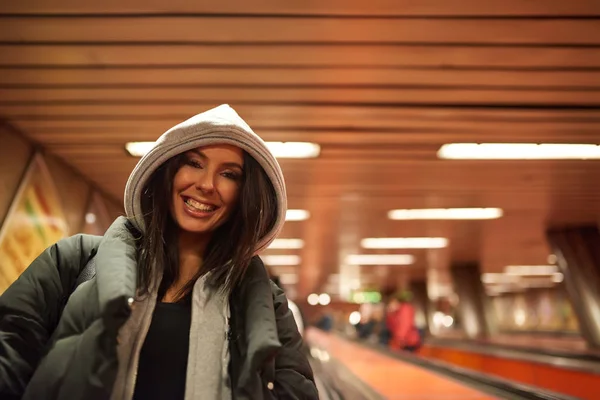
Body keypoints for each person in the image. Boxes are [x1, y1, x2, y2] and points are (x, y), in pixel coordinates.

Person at [0, 105, 319, 400]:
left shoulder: (263, 302)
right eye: (193, 163)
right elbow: (10, 352)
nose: (206, 184)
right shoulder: (72, 263)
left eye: (229, 174)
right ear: (168, 173)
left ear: (244, 195)